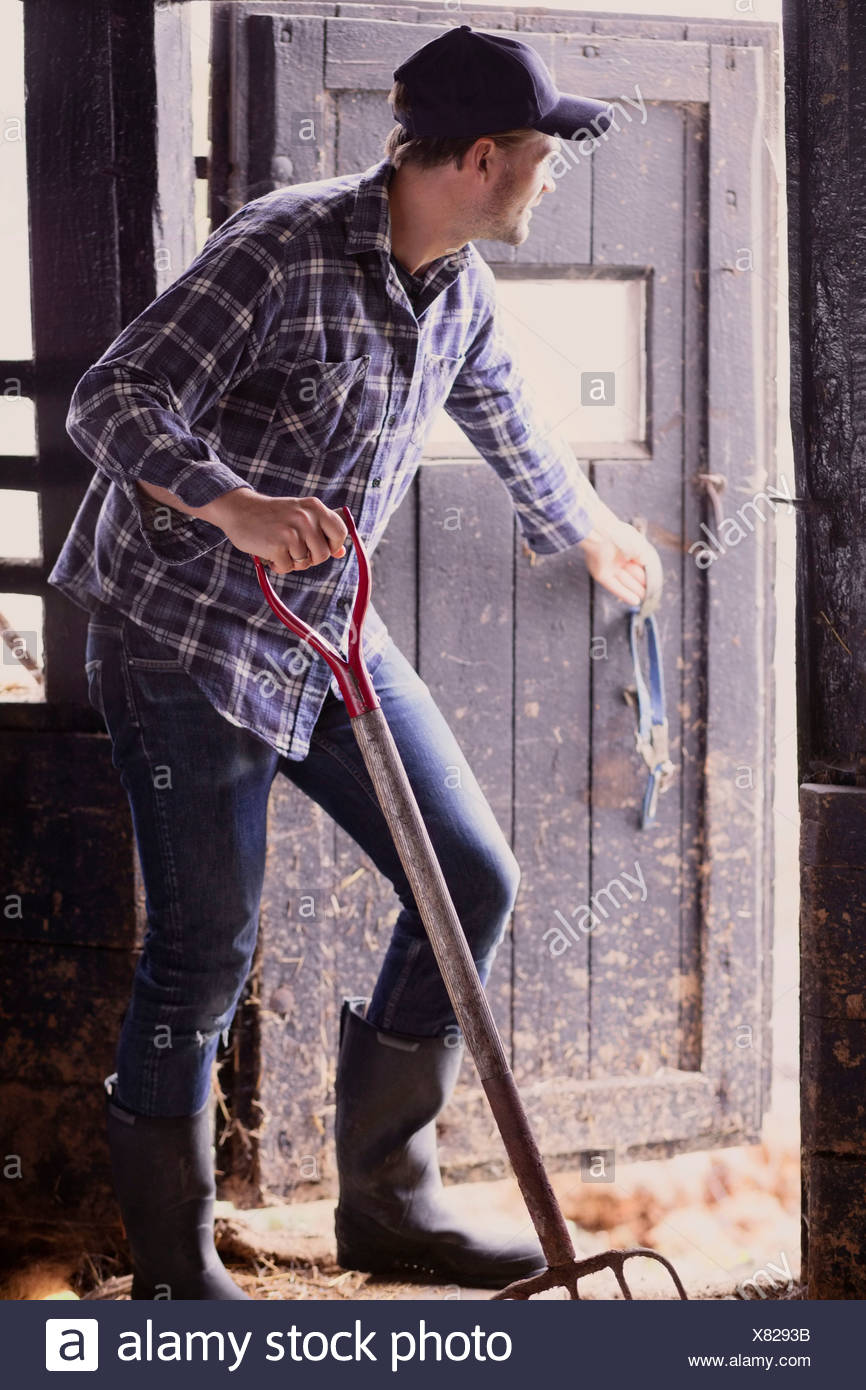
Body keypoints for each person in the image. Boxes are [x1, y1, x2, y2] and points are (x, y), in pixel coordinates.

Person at [49, 24, 654, 1299]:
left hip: (329, 633)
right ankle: (176, 1266)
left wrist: (590, 531)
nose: (551, 178)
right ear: (482, 157)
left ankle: (389, 1203)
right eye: (542, 157)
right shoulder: (281, 249)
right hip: (186, 635)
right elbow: (110, 399)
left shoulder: (459, 290)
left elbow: (501, 417)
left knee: (469, 881)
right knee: (204, 950)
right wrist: (232, 502)